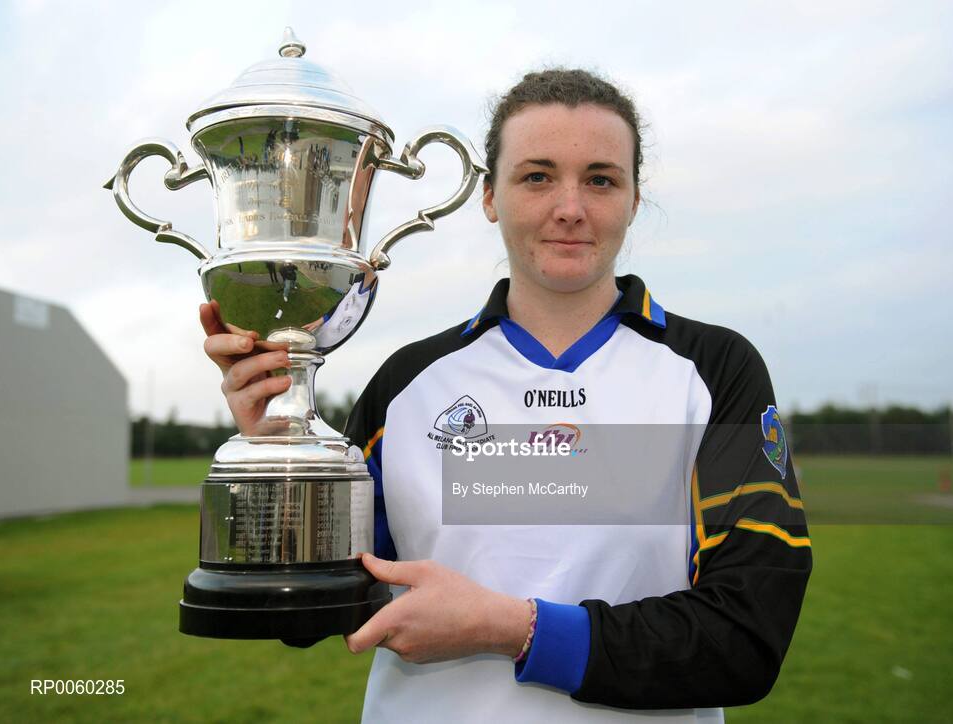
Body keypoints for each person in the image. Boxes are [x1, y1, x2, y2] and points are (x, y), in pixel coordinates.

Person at [201, 69, 811, 722]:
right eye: (536, 176)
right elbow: (308, 611)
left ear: (635, 200)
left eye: (600, 178)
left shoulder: (713, 371)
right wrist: (281, 463)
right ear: (489, 196)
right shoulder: (406, 385)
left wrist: (511, 627)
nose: (569, 207)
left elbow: (744, 640)